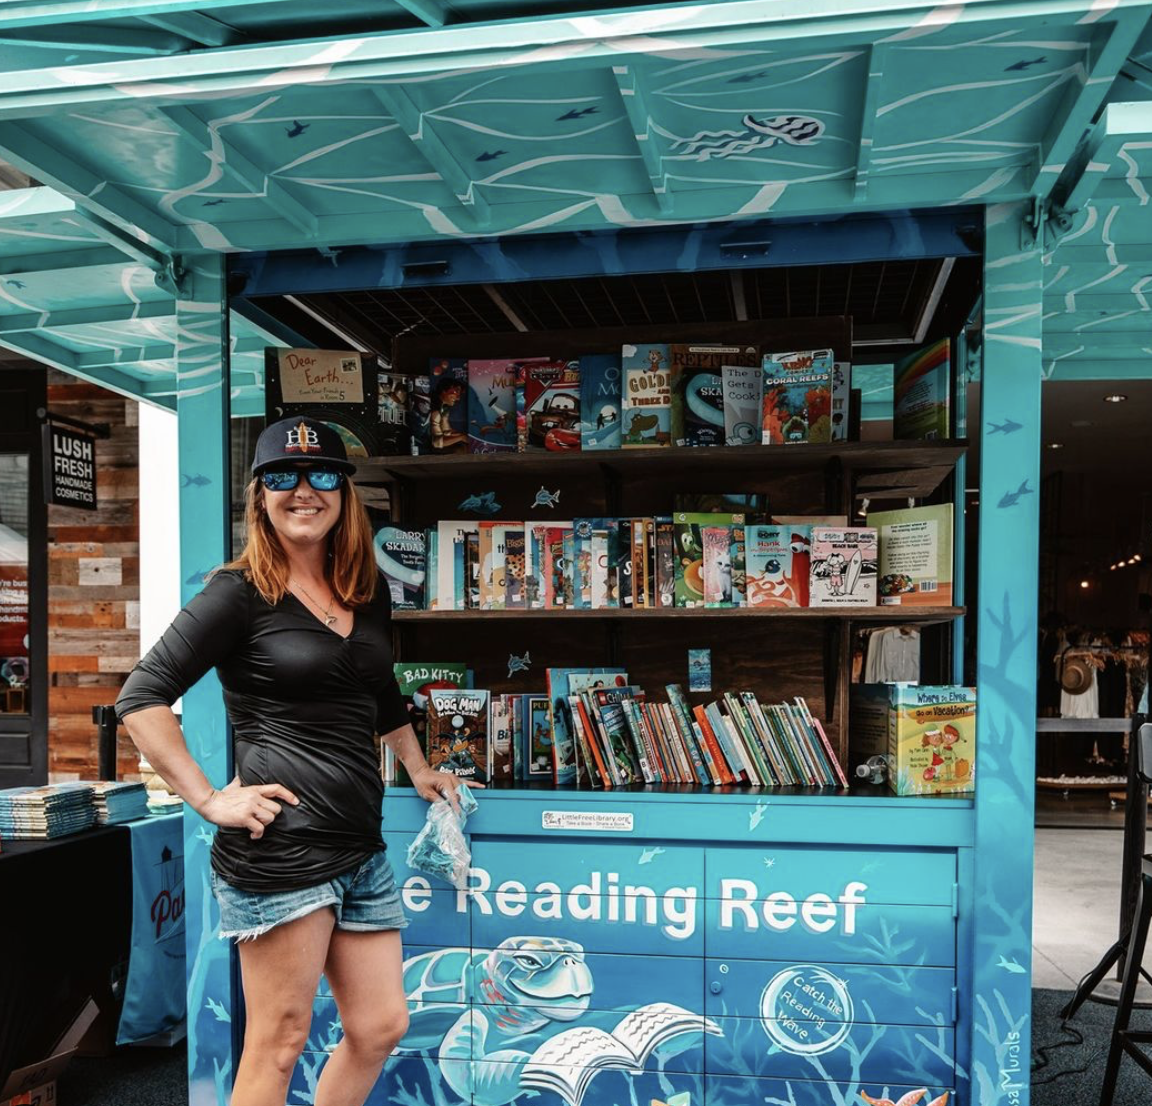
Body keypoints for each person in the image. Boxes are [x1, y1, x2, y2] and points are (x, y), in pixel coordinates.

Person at [116, 416, 481, 1106]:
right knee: (279, 1043)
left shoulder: (366, 589)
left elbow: (379, 691)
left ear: (345, 494)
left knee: (379, 1026)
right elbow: (142, 696)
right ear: (260, 497)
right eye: (281, 477)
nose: (302, 490)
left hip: (359, 845)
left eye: (322, 476)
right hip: (280, 852)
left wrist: (417, 765)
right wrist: (207, 798)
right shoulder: (238, 593)